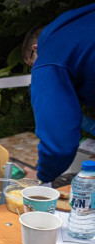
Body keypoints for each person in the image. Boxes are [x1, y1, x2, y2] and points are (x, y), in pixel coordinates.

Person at [21, 4, 95, 184]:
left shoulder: (48, 58)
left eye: (32, 65)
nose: (35, 71)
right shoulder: (78, 24)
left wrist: (41, 176)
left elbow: (58, 145)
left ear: (36, 48)